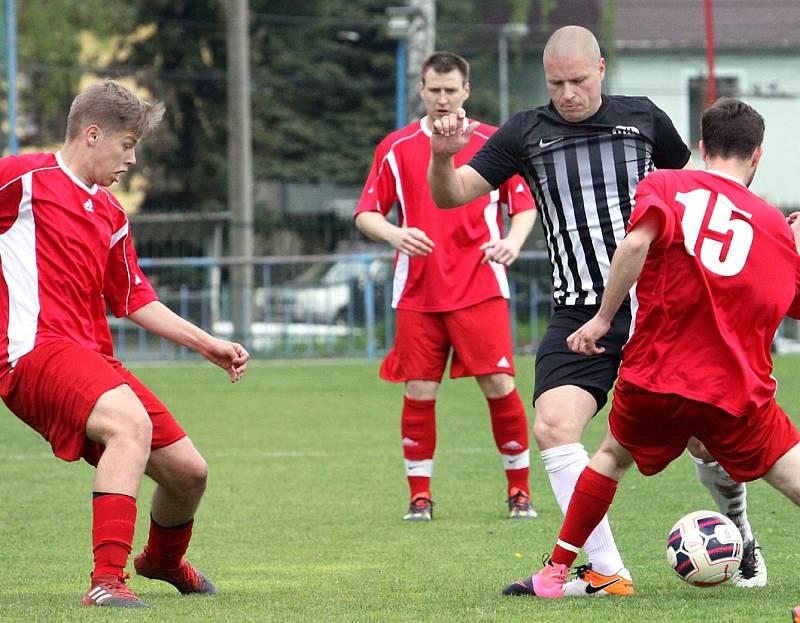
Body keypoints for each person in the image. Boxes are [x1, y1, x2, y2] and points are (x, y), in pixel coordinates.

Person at [428, 25, 765, 594]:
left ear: (601, 70)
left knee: (706, 439)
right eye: (556, 83)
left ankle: (741, 537)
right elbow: (451, 193)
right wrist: (442, 158)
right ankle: (608, 571)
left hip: (660, 307)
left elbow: (700, 192)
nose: (568, 94)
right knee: (554, 425)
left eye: (578, 81)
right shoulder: (525, 132)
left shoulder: (644, 119)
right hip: (577, 311)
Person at [501, 97, 800, 600]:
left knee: (610, 458)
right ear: (758, 155)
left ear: (702, 147)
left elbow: (635, 245)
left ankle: (556, 573)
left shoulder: (664, 184)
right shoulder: (772, 224)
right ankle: (745, 545)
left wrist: (600, 319)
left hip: (657, 377)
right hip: (736, 391)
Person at [0, 79, 250, 608]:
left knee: (189, 474)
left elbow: (134, 299)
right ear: (93, 134)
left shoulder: (112, 214)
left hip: (92, 360)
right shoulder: (21, 178)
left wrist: (207, 343)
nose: (131, 160)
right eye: (128, 145)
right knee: (129, 424)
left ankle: (162, 561)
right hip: (33, 351)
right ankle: (106, 581)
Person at [354, 52, 538, 522]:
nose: (442, 98)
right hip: (418, 289)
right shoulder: (395, 147)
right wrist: (396, 234)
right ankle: (420, 496)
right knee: (419, 390)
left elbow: (524, 204)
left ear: (466, 91)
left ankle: (519, 491)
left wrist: (513, 242)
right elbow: (367, 213)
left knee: (499, 383)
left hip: (480, 283)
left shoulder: (493, 141)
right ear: (421, 90)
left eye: (450, 89)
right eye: (434, 89)